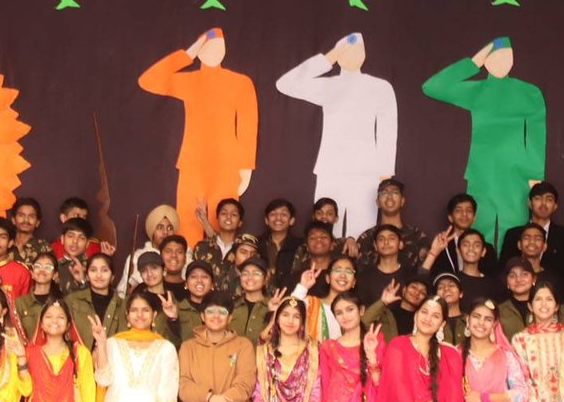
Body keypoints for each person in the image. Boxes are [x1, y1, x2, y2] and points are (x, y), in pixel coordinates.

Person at [138, 28, 260, 244]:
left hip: (226, 165)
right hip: (192, 163)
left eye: (218, 47)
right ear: (199, 51)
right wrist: (188, 54)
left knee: (223, 228)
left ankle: (223, 265)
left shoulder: (240, 82)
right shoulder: (190, 81)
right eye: (207, 47)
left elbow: (247, 125)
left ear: (225, 50)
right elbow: (148, 80)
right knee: (188, 226)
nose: (213, 52)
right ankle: (186, 265)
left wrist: (246, 167)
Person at [422, 39, 548, 245]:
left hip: (517, 172)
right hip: (481, 170)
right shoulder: (478, 90)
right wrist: (473, 63)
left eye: (507, 56)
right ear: (486, 62)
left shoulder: (529, 92)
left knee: (515, 233)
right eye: (495, 57)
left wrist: (535, 173)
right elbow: (432, 87)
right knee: (478, 232)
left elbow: (536, 132)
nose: (502, 62)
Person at [274, 33, 399, 240]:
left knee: (362, 236)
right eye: (347, 51)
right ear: (339, 55)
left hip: (366, 171)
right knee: (324, 232)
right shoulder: (330, 85)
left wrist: (385, 172)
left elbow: (388, 129)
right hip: (331, 168)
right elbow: (285, 84)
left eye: (359, 50)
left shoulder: (380, 87)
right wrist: (328, 59)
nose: (354, 54)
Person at [499, 182, 564, 293]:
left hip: (554, 296)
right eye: (538, 199)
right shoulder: (513, 234)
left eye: (549, 200)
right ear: (529, 203)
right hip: (515, 295)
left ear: (555, 206)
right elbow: (504, 270)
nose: (543, 204)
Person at [353, 178, 430, 271]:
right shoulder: (366, 238)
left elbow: (425, 273)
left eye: (395, 192)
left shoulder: (417, 237)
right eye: (384, 193)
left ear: (402, 201)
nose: (389, 196)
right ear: (378, 202)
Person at [66, 252, 123, 350]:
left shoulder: (122, 304)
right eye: (93, 270)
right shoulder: (72, 300)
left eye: (104, 270)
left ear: (112, 277)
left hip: (111, 357)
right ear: (87, 276)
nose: (99, 275)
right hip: (79, 357)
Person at [120, 204, 181, 290]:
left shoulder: (180, 256)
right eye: (160, 228)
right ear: (152, 231)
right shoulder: (136, 257)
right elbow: (122, 291)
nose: (165, 232)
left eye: (170, 228)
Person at [9, 197, 54, 265]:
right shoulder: (5, 245)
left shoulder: (44, 248)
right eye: (21, 215)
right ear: (13, 220)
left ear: (37, 222)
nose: (26, 220)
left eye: (31, 216)